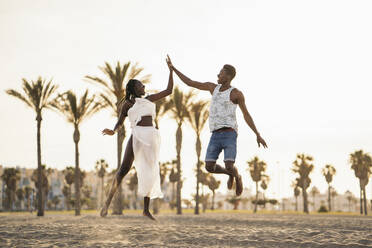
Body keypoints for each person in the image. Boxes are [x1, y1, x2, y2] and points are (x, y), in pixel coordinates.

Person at [167, 57, 267, 196]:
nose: (218, 75)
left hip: (230, 133)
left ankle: (237, 177)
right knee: (209, 167)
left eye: (221, 73)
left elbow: (246, 115)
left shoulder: (236, 93)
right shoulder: (212, 87)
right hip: (215, 134)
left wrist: (258, 134)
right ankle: (230, 175)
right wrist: (173, 68)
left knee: (229, 164)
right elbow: (190, 82)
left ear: (228, 76)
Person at [100, 56, 173, 220]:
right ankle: (106, 204)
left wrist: (171, 70)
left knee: (150, 170)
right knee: (122, 170)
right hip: (136, 135)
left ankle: (146, 210)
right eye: (141, 85)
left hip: (151, 136)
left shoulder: (149, 99)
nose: (144, 86)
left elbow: (169, 91)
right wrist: (113, 131)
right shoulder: (127, 105)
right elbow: (119, 123)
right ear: (134, 89)